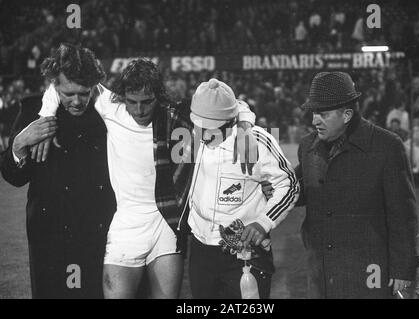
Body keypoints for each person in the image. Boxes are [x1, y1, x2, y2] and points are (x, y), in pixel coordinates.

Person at [38, 58, 257, 299]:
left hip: (166, 222)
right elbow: (60, 84)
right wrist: (45, 116)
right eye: (132, 102)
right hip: (126, 224)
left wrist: (245, 127)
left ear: (158, 96)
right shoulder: (111, 107)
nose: (139, 110)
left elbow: (234, 105)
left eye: (147, 102)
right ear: (122, 96)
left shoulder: (174, 114)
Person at [0, 44, 116, 298]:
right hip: (50, 236)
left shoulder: (110, 114)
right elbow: (14, 177)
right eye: (68, 93)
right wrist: (19, 145)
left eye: (84, 93)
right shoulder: (33, 112)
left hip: (97, 234)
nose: (77, 101)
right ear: (54, 86)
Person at [295, 72, 419, 298]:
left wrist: (403, 268)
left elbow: (403, 213)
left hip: (368, 271)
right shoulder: (307, 146)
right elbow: (295, 191)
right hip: (320, 272)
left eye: (322, 113)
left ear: (347, 115)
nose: (314, 120)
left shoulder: (387, 146)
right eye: (314, 113)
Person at [183, 79, 299, 298]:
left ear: (228, 122)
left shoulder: (256, 141)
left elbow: (289, 185)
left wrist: (264, 222)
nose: (203, 133)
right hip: (200, 249)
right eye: (199, 125)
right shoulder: (193, 134)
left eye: (211, 127)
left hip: (245, 251)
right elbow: (236, 105)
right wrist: (244, 119)